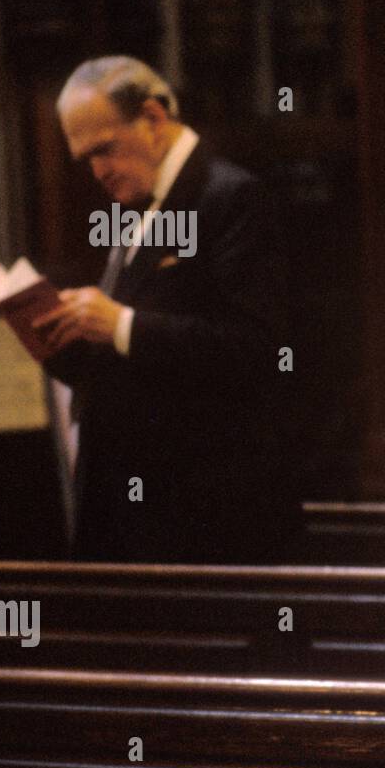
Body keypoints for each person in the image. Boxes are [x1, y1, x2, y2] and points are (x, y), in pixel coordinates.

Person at [35, 56, 297, 563]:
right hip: (127, 513)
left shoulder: (231, 195)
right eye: (86, 158)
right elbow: (127, 357)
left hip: (201, 516)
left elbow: (257, 349)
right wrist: (61, 340)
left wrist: (120, 323)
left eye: (105, 149)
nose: (99, 172)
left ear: (153, 118)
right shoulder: (132, 205)